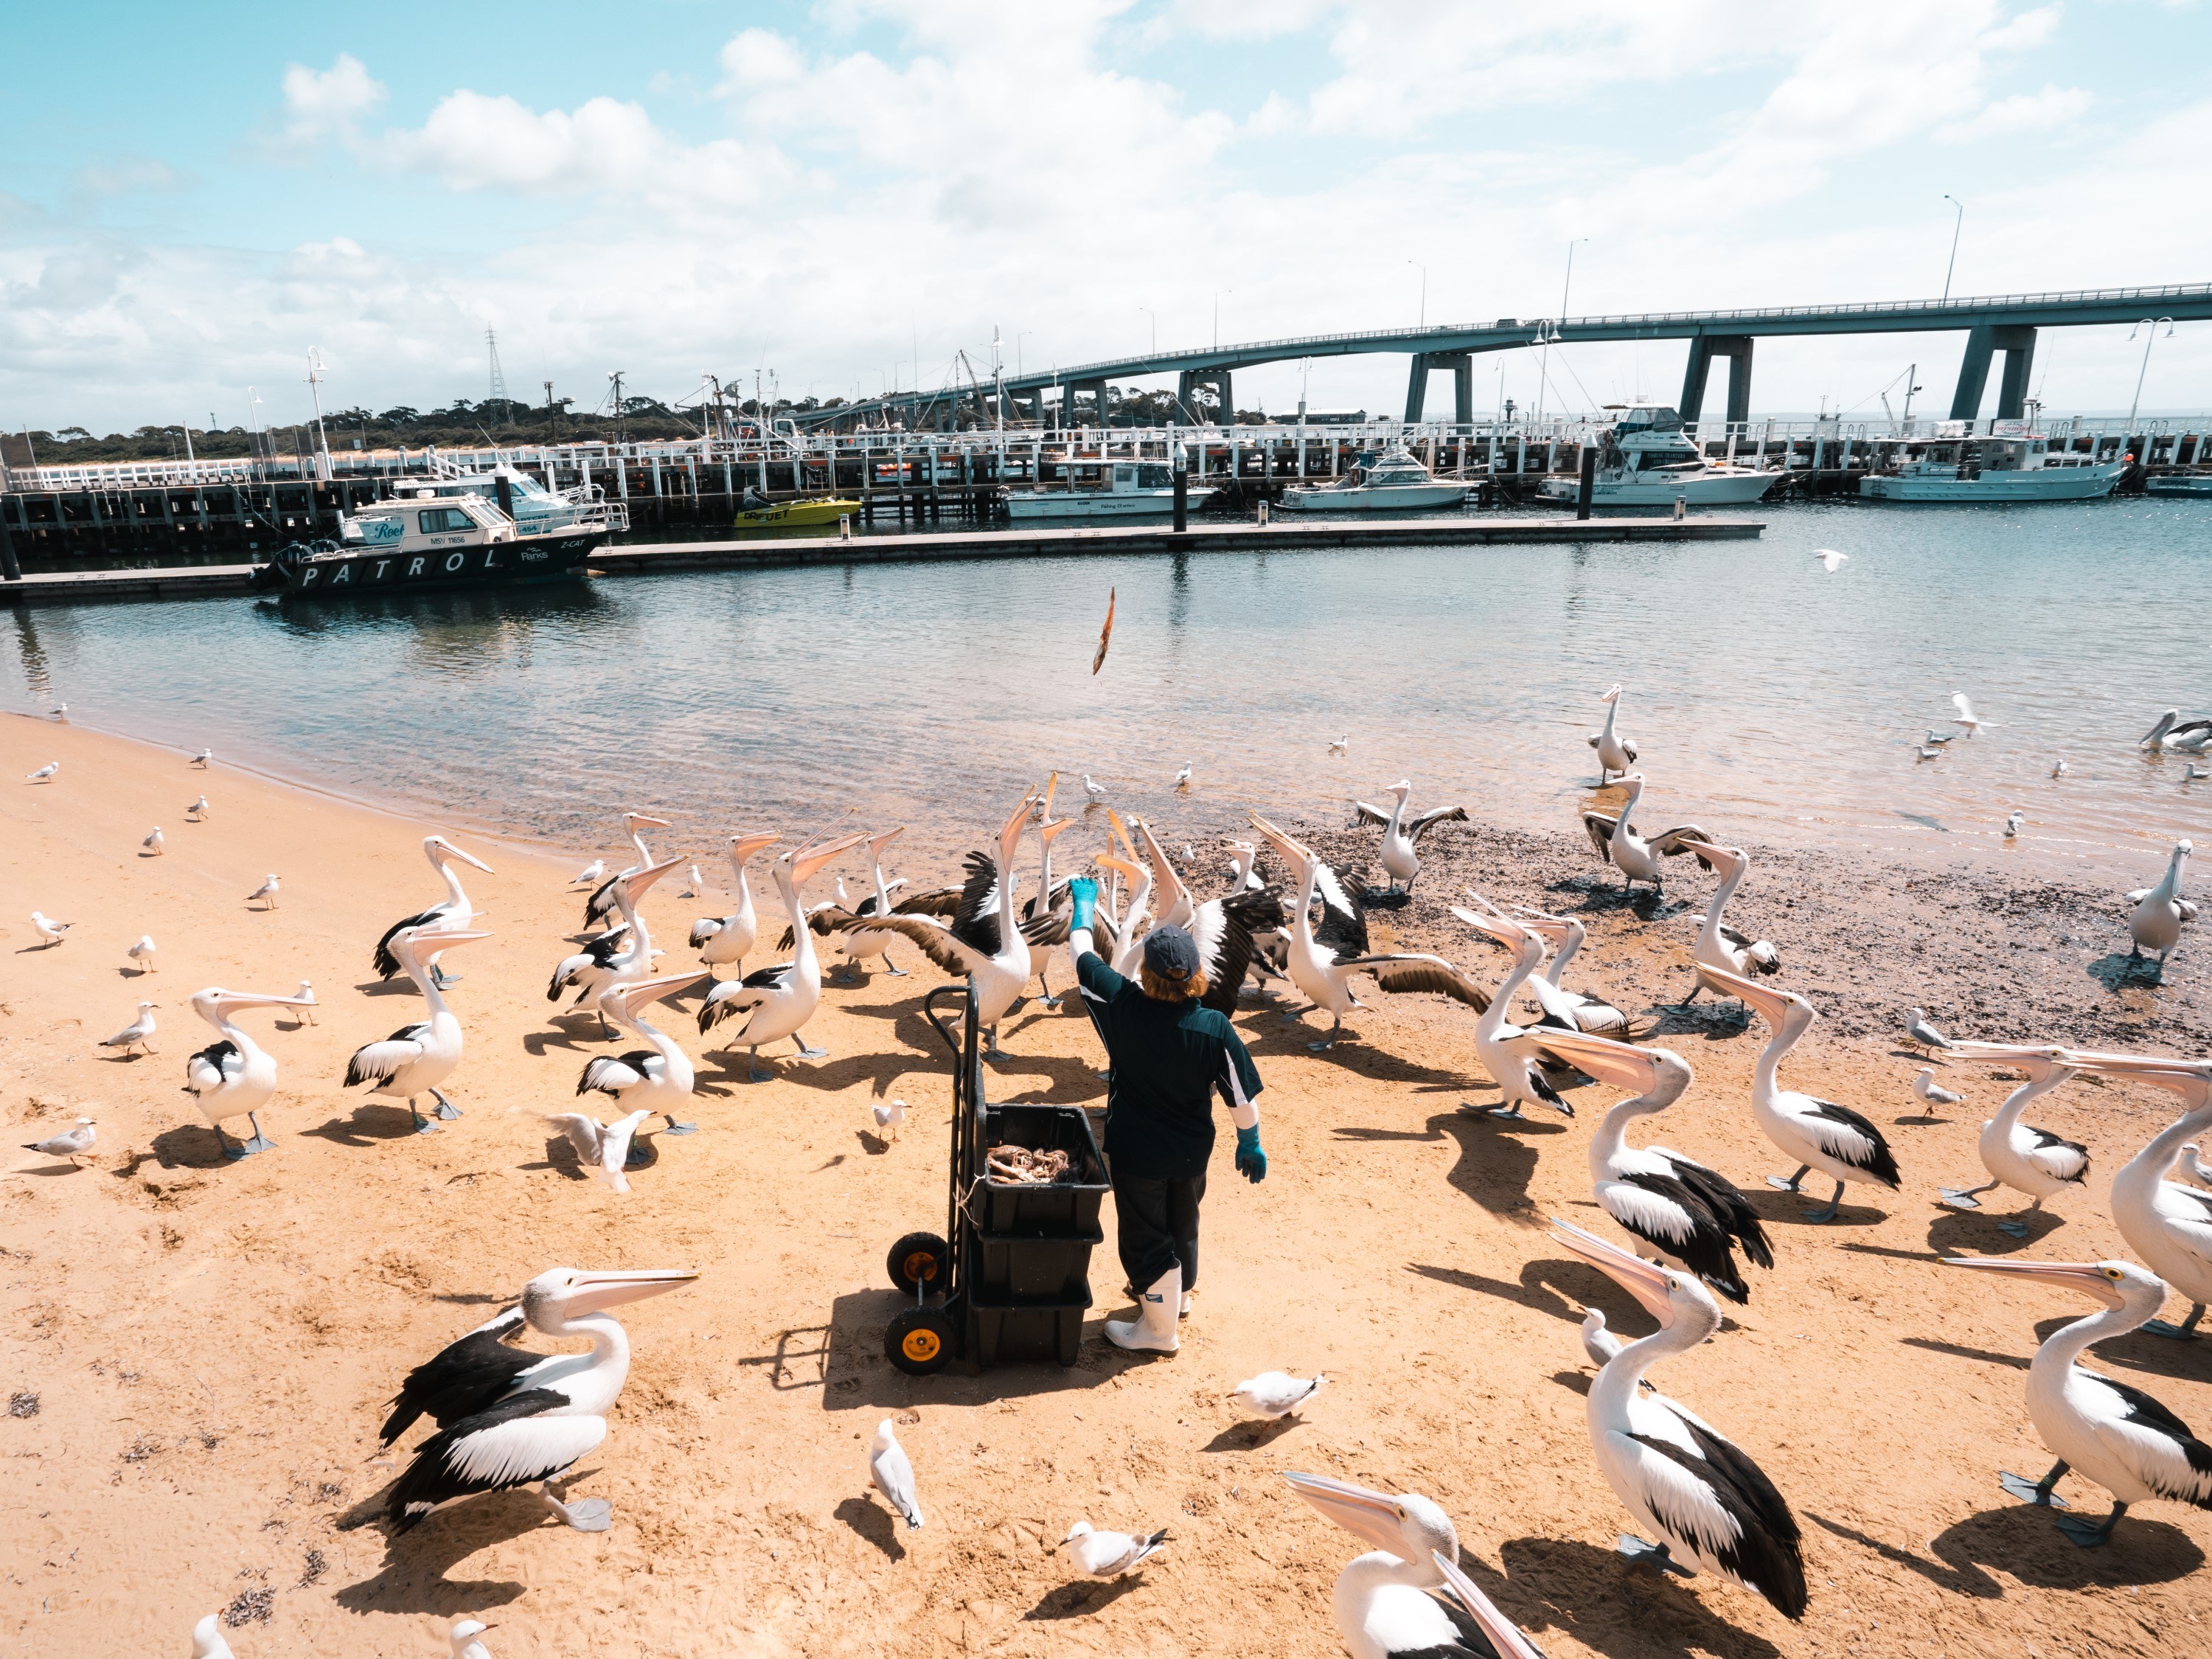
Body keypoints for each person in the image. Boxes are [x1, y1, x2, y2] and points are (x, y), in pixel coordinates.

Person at [1065, 876, 1265, 1355]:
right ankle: (1178, 1299)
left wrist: (1084, 906)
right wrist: (1250, 1141)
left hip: (1138, 1152)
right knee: (1183, 1222)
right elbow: (1240, 1094)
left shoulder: (1121, 1006)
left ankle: (1158, 1332)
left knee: (1145, 1237)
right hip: (1191, 1151)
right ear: (1196, 972)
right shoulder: (1214, 1027)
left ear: (1148, 974)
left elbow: (1080, 955)